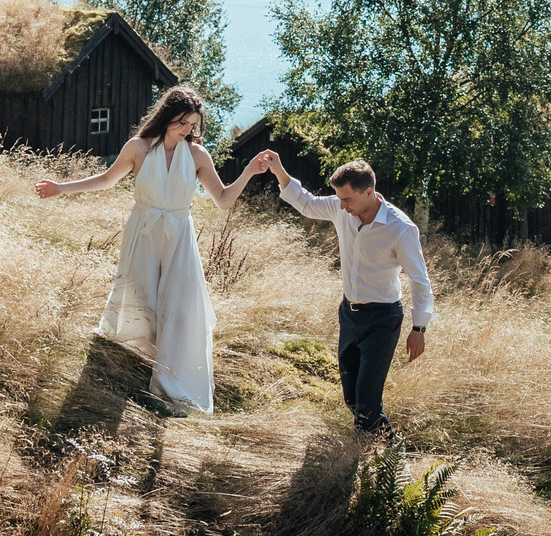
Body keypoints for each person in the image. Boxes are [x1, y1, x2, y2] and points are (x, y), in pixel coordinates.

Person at [35, 85, 269, 413]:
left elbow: (224, 201)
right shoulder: (138, 148)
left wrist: (248, 172)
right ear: (167, 117)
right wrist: (62, 188)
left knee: (181, 303)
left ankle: (173, 376)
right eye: (182, 123)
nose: (188, 130)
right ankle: (134, 360)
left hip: (179, 238)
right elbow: (105, 180)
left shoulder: (198, 156)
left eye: (193, 125)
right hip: (143, 231)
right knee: (140, 294)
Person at [266, 152, 433, 438]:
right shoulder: (341, 208)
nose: (341, 207)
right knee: (352, 399)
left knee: (367, 403)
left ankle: (389, 459)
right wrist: (280, 171)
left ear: (369, 192)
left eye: (347, 200)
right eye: (339, 199)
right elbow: (306, 202)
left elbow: (420, 281)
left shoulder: (400, 228)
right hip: (349, 315)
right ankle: (371, 452)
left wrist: (418, 328)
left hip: (383, 319)